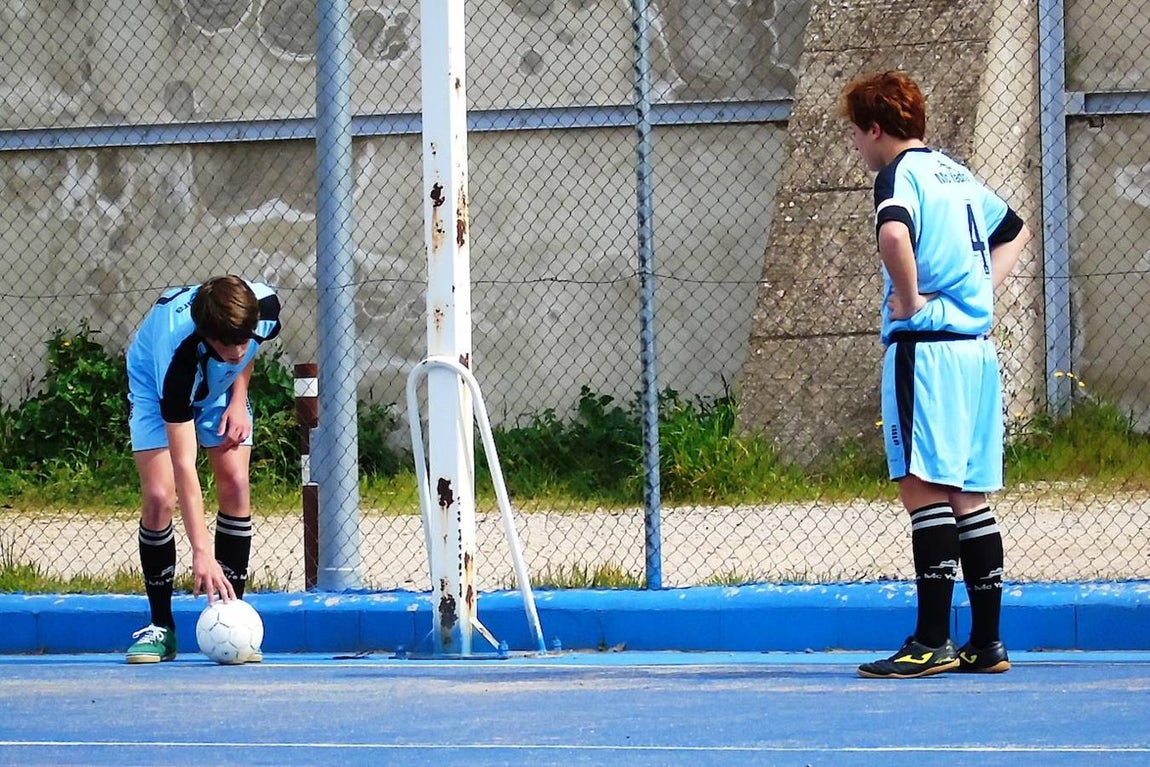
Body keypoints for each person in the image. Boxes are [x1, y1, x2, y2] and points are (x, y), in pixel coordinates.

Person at [838, 71, 1030, 678]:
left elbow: (894, 232)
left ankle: (930, 640)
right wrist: (978, 293)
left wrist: (911, 297)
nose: (858, 149)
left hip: (925, 352)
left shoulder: (899, 175)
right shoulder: (957, 173)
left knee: (921, 487)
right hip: (975, 351)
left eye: (856, 135)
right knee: (968, 494)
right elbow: (1014, 231)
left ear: (875, 128)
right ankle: (987, 643)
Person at [124, 275, 282, 664]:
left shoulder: (262, 308)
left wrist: (237, 396)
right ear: (207, 334)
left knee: (236, 482)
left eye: (244, 339)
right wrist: (202, 552)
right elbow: (184, 465)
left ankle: (232, 614)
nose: (238, 349)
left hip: (221, 389)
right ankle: (161, 626)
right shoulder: (176, 358)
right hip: (153, 387)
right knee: (161, 496)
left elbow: (250, 349)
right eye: (228, 343)